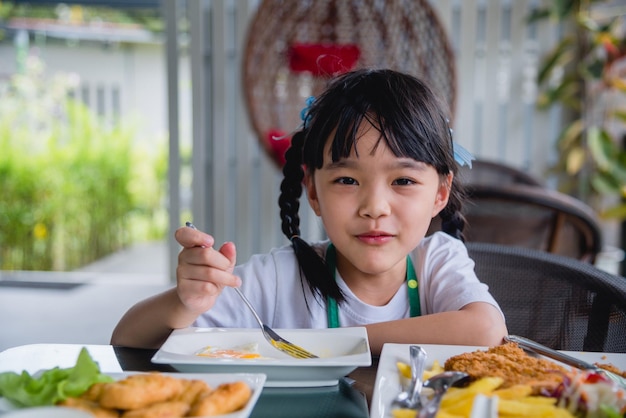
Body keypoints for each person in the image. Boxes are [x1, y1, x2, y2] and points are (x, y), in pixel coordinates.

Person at [111, 68, 507, 354]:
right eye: (347, 181)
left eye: (402, 181)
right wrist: (186, 302)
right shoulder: (281, 278)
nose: (374, 208)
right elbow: (127, 339)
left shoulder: (436, 260)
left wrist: (332, 344)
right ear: (313, 192)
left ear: (440, 192)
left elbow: (486, 330)